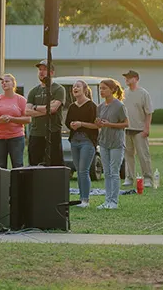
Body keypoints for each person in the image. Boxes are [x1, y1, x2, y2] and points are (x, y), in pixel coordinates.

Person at [96, 79, 129, 210]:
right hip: (104, 142)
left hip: (116, 143)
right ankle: (107, 200)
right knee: (107, 172)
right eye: (100, 88)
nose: (101, 91)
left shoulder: (119, 106)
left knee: (114, 172)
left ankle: (114, 201)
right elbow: (99, 124)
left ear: (112, 90)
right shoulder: (100, 107)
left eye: (104, 88)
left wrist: (110, 124)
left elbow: (126, 124)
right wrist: (99, 123)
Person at [26, 59, 66, 166]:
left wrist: (35, 108)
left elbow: (53, 109)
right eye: (40, 69)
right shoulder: (34, 91)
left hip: (53, 132)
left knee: (54, 164)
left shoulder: (58, 89)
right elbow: (27, 111)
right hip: (36, 133)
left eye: (44, 69)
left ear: (51, 73)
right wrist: (43, 109)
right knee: (34, 163)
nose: (41, 72)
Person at [66, 79, 99, 207]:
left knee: (83, 170)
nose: (75, 88)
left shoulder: (92, 106)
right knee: (78, 170)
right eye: (74, 87)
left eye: (78, 86)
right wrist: (72, 125)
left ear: (85, 89)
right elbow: (68, 122)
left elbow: (96, 126)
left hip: (87, 141)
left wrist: (81, 124)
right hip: (74, 141)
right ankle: (81, 199)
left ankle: (85, 200)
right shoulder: (72, 106)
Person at [122, 70, 155, 188]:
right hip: (126, 129)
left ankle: (147, 178)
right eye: (126, 78)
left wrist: (147, 128)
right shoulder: (124, 93)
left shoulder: (143, 93)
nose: (127, 80)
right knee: (128, 155)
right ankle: (129, 177)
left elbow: (149, 112)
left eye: (129, 78)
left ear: (136, 79)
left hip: (140, 129)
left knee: (143, 155)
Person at [0, 73, 29, 168]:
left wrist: (12, 119)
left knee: (17, 164)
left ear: (13, 84)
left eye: (7, 81)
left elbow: (28, 119)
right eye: (2, 82)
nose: (4, 83)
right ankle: (2, 183)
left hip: (16, 137)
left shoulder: (21, 100)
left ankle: (18, 183)